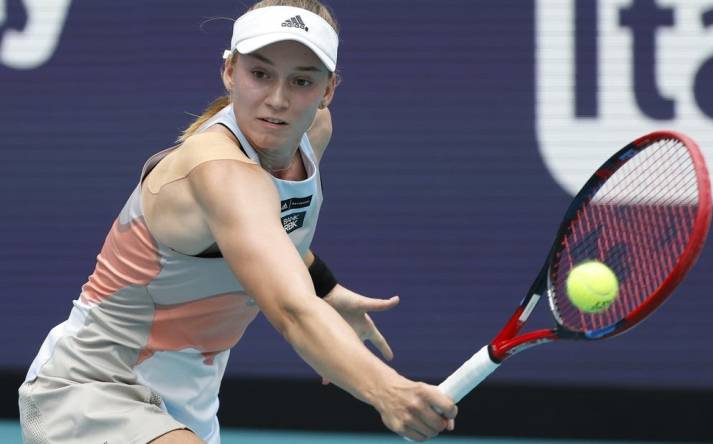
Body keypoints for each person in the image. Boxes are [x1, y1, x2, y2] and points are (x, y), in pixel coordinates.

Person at [17, 1, 458, 443]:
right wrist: (388, 390)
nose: (278, 99)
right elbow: (289, 308)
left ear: (328, 91)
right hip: (90, 391)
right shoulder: (221, 172)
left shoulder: (312, 134)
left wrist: (328, 290)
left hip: (187, 407)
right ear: (229, 71)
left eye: (302, 81)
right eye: (260, 74)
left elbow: (272, 234)